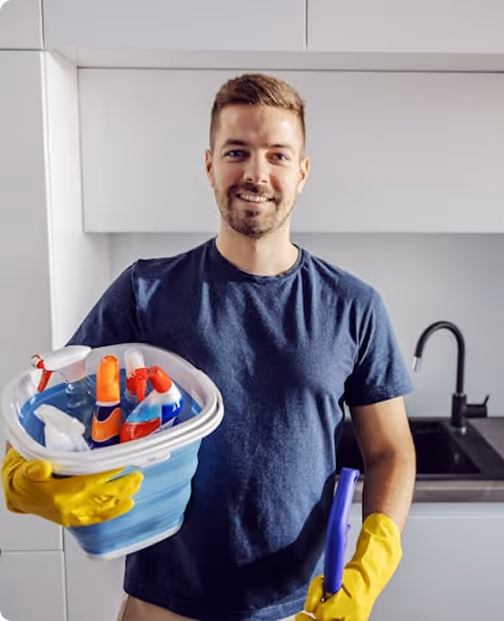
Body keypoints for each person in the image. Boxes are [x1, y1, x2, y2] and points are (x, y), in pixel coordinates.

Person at [2, 73, 416, 621]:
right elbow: (53, 404)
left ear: (302, 172)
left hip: (297, 610)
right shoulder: (145, 292)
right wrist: (27, 469)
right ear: (209, 164)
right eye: (237, 151)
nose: (256, 173)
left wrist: (372, 564)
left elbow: (391, 451)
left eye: (277, 155)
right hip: (160, 608)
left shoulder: (353, 306)